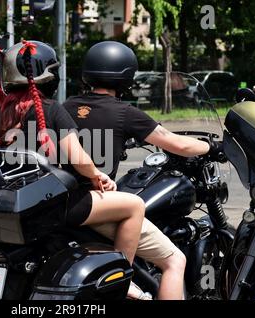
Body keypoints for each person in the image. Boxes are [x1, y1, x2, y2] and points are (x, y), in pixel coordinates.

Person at [62, 41, 224, 300]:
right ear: (126, 76)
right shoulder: (124, 113)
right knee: (174, 260)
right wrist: (212, 146)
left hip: (63, 199)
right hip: (94, 205)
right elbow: (177, 144)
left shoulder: (67, 105)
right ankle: (124, 276)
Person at [0, 40, 146, 299]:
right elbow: (78, 157)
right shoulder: (51, 110)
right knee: (135, 205)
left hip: (17, 202)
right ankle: (122, 280)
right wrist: (98, 176)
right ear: (47, 77)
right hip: (53, 205)